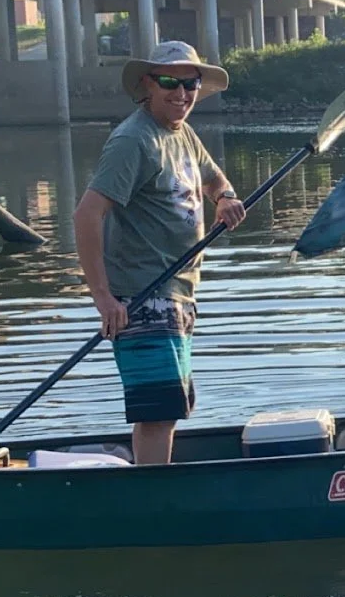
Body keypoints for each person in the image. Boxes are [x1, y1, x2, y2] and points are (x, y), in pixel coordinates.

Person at [73, 41, 247, 464]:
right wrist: (103, 297)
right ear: (146, 85)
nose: (182, 93)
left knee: (170, 408)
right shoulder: (133, 140)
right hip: (141, 296)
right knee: (157, 412)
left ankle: (154, 483)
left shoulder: (182, 133)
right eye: (170, 81)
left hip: (178, 295)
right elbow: (86, 216)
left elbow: (213, 177)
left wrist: (224, 196)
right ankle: (152, 499)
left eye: (190, 83)